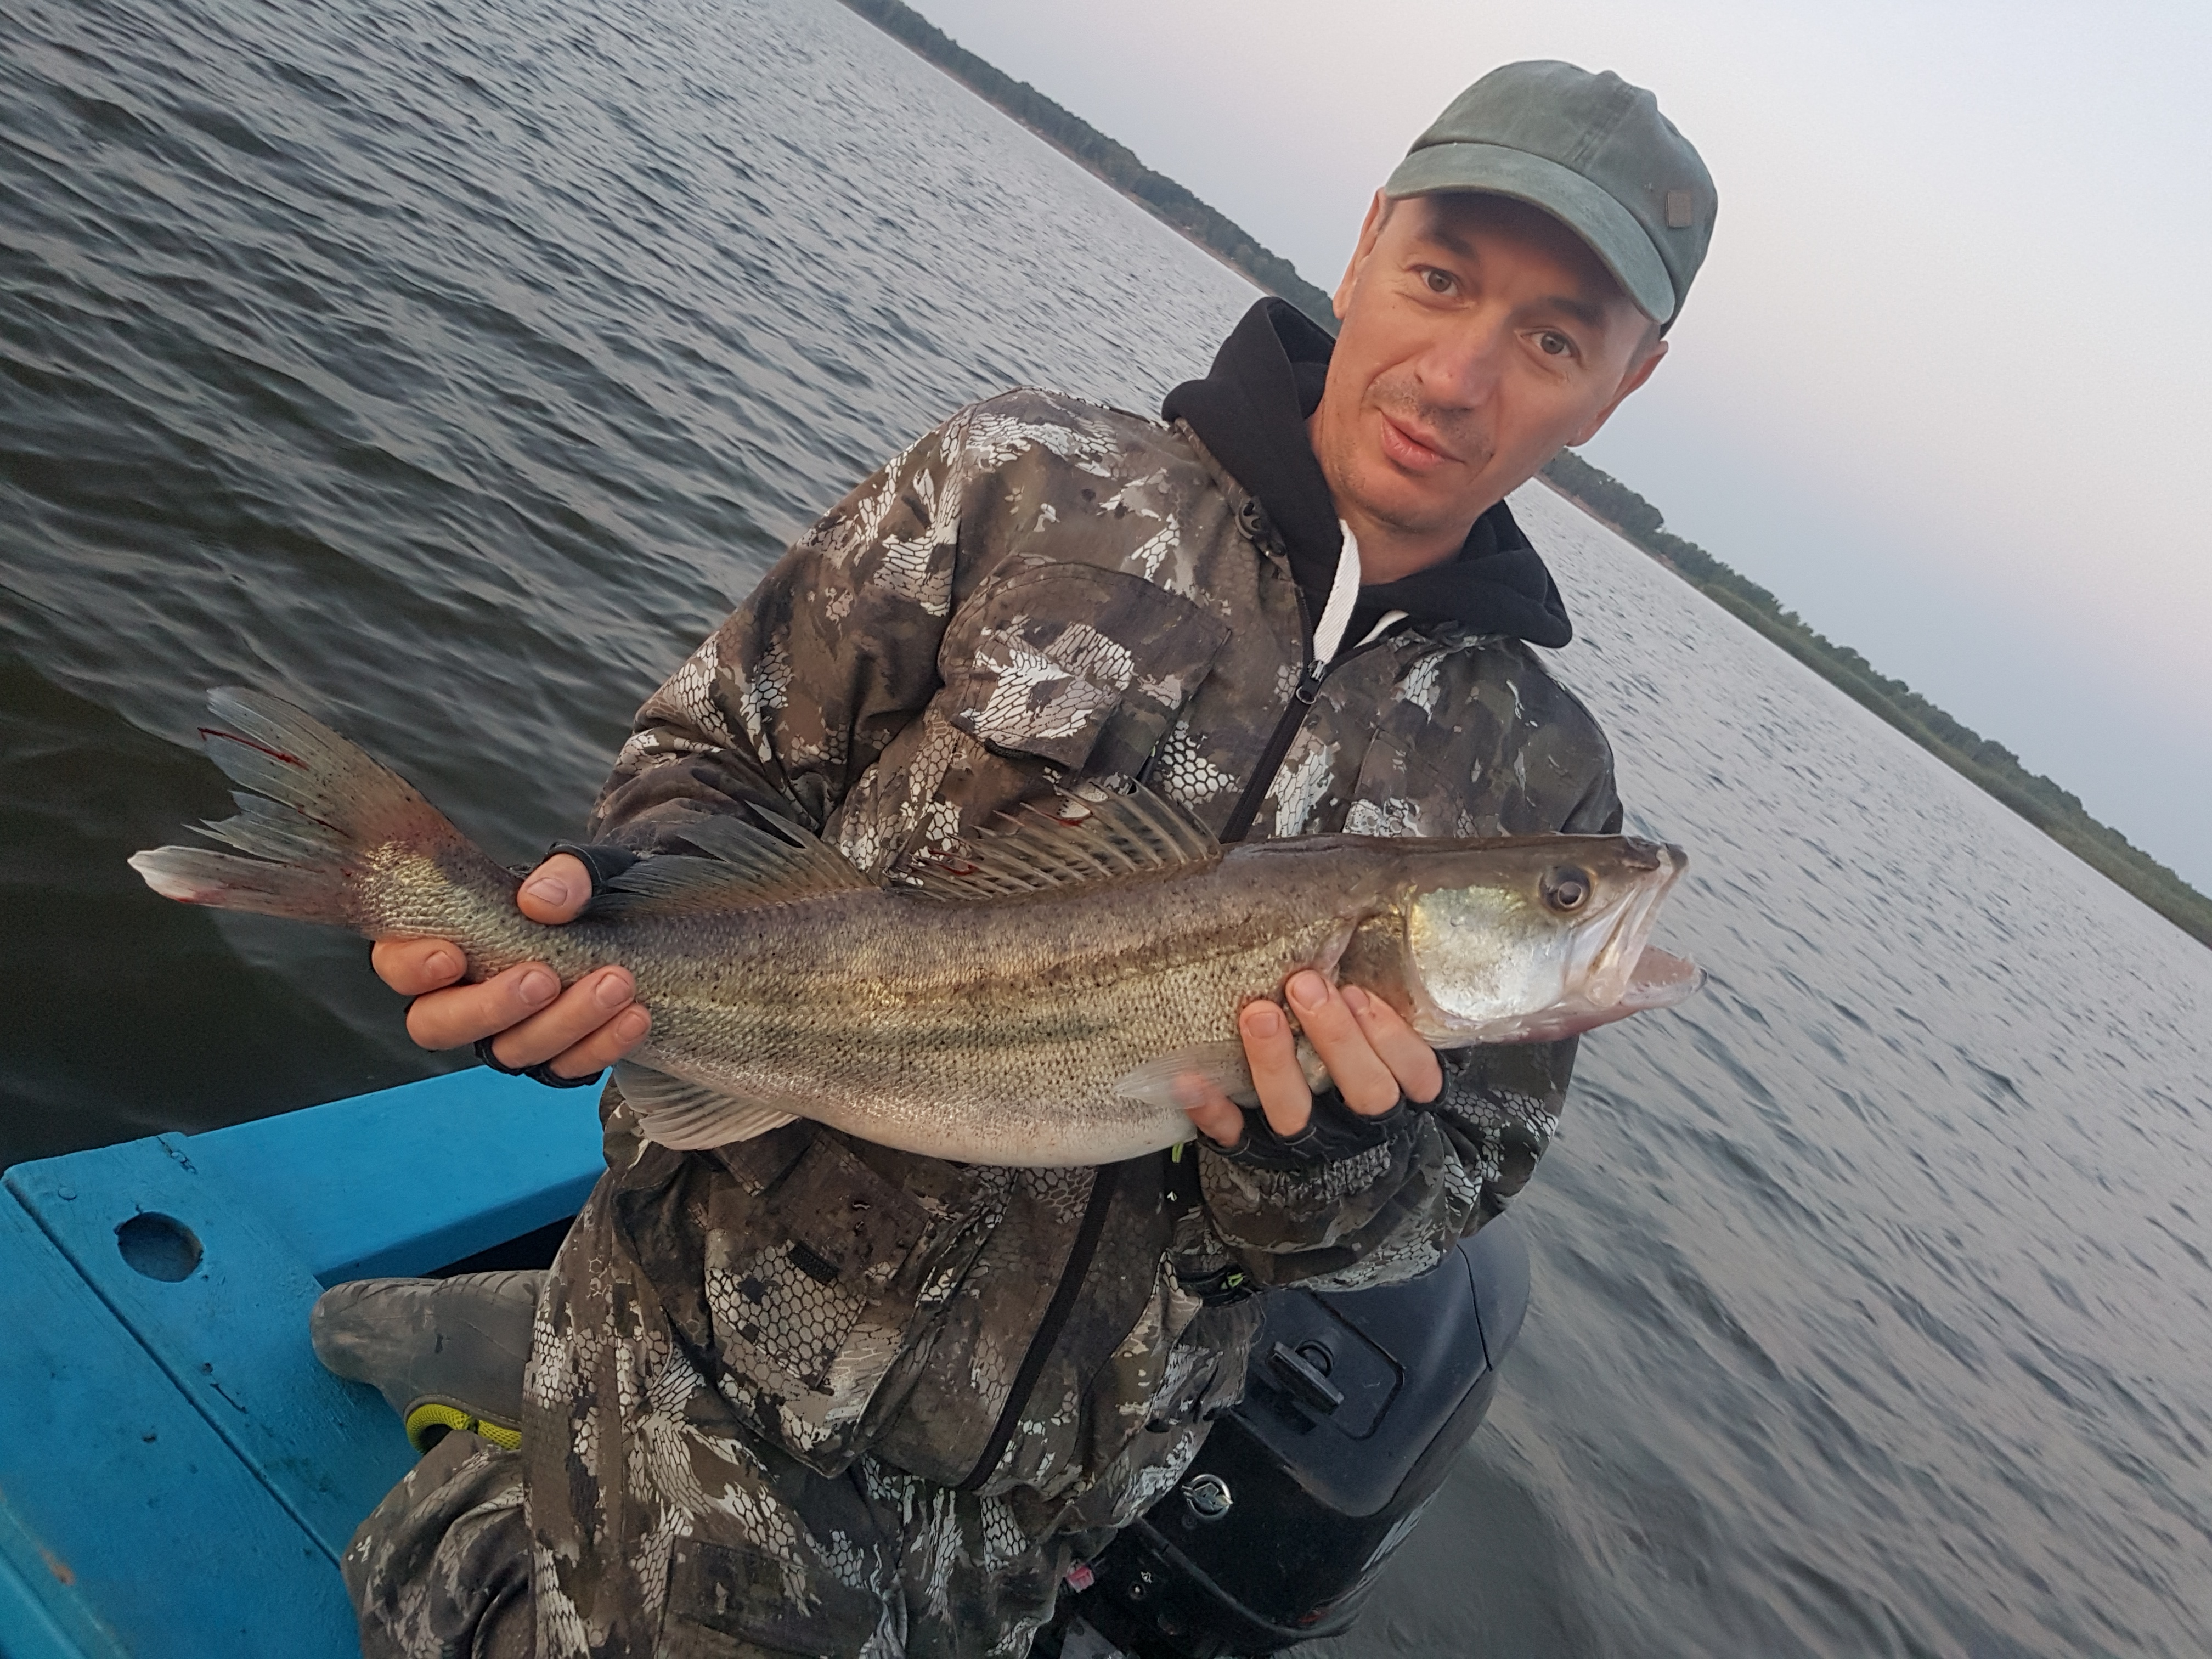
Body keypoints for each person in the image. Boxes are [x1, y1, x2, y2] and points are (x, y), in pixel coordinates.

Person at [319, 59, 1716, 1659]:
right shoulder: (1025, 478)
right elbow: (711, 762)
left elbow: (1443, 1197)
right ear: (1365, 244)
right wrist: (600, 926)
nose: (1459, 377)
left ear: (1625, 386)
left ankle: (510, 1479)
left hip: (1041, 1510)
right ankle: (475, 1529)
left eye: (1553, 342)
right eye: (1441, 278)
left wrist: (1324, 1151)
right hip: (712, 1356)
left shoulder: (1544, 772)